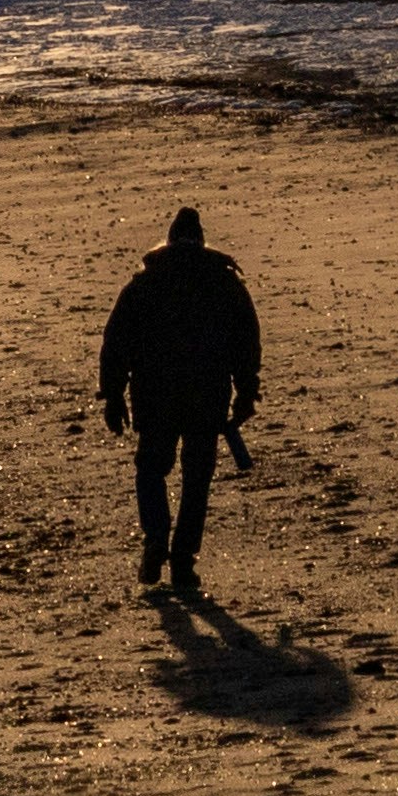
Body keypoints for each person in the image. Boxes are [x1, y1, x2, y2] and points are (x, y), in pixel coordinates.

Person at [97, 206, 261, 590]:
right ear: (202, 242)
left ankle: (156, 537)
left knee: (151, 469)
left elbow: (115, 344)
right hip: (208, 396)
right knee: (196, 479)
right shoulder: (226, 284)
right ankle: (183, 562)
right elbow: (246, 343)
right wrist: (246, 392)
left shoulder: (143, 285)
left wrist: (113, 396)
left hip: (155, 396)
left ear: (169, 241)